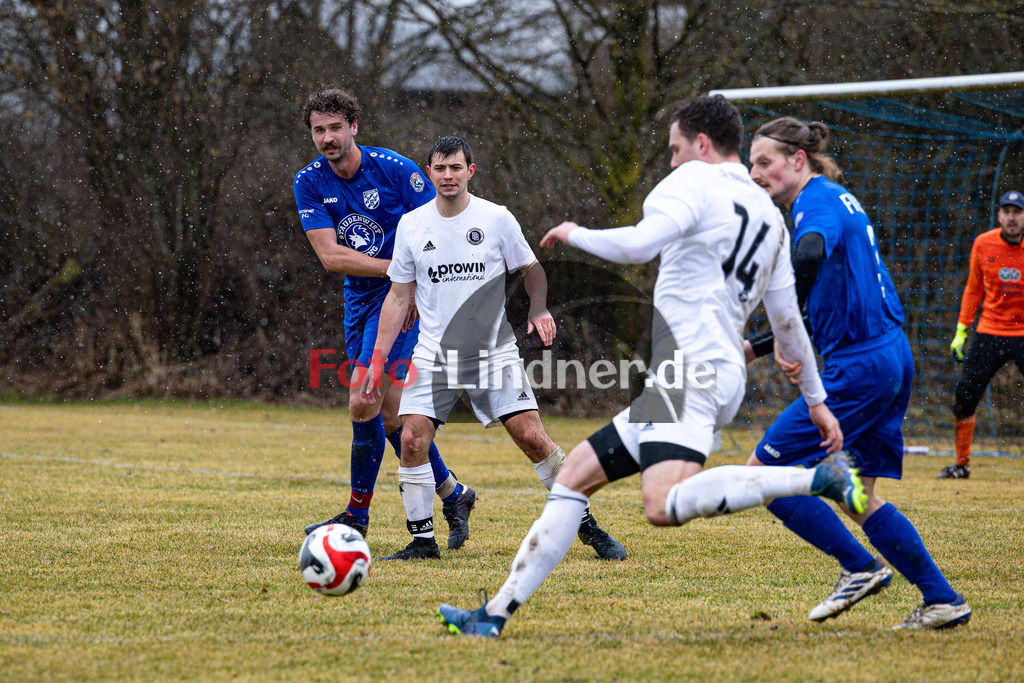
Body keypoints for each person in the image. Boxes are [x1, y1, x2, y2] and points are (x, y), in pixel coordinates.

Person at [436, 94, 863, 638]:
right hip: (710, 373)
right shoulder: (770, 218)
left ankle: (816, 478)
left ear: (701, 144)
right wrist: (817, 402)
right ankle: (493, 614)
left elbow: (640, 245)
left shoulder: (693, 181)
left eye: (676, 148)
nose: (672, 160)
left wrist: (574, 234)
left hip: (691, 371)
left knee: (662, 505)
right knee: (573, 478)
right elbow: (788, 325)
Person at [743, 116, 971, 630]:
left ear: (797, 160)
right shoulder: (837, 196)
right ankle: (942, 600)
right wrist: (762, 346)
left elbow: (808, 253)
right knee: (858, 493)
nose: (755, 173)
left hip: (861, 367)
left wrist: (782, 324)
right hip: (890, 356)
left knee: (763, 475)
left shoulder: (814, 203)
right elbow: (822, 292)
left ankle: (859, 567)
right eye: (751, 164)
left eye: (764, 162)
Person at [361, 136, 626, 561]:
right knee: (411, 439)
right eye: (440, 168)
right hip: (434, 354)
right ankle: (422, 542)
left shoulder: (496, 218)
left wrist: (539, 307)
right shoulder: (412, 224)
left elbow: (531, 268)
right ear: (429, 174)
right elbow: (397, 297)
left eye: (456, 167)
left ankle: (587, 526)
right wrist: (377, 360)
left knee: (533, 438)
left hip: (493, 352)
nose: (448, 176)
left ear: (470, 171)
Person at [293, 87, 477, 549]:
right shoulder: (309, 181)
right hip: (359, 299)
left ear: (354, 127)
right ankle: (454, 493)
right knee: (391, 412)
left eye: (336, 127)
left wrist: (411, 283)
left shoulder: (395, 170)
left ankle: (357, 517)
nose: (328, 137)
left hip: (404, 299)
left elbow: (438, 230)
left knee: (363, 397)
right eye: (319, 130)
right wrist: (395, 269)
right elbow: (331, 256)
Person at [939, 190, 1024, 479]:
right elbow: (973, 289)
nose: (1012, 217)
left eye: (1017, 212)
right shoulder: (983, 243)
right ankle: (961, 464)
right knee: (965, 395)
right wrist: (961, 332)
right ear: (999, 215)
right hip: (990, 331)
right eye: (1007, 211)